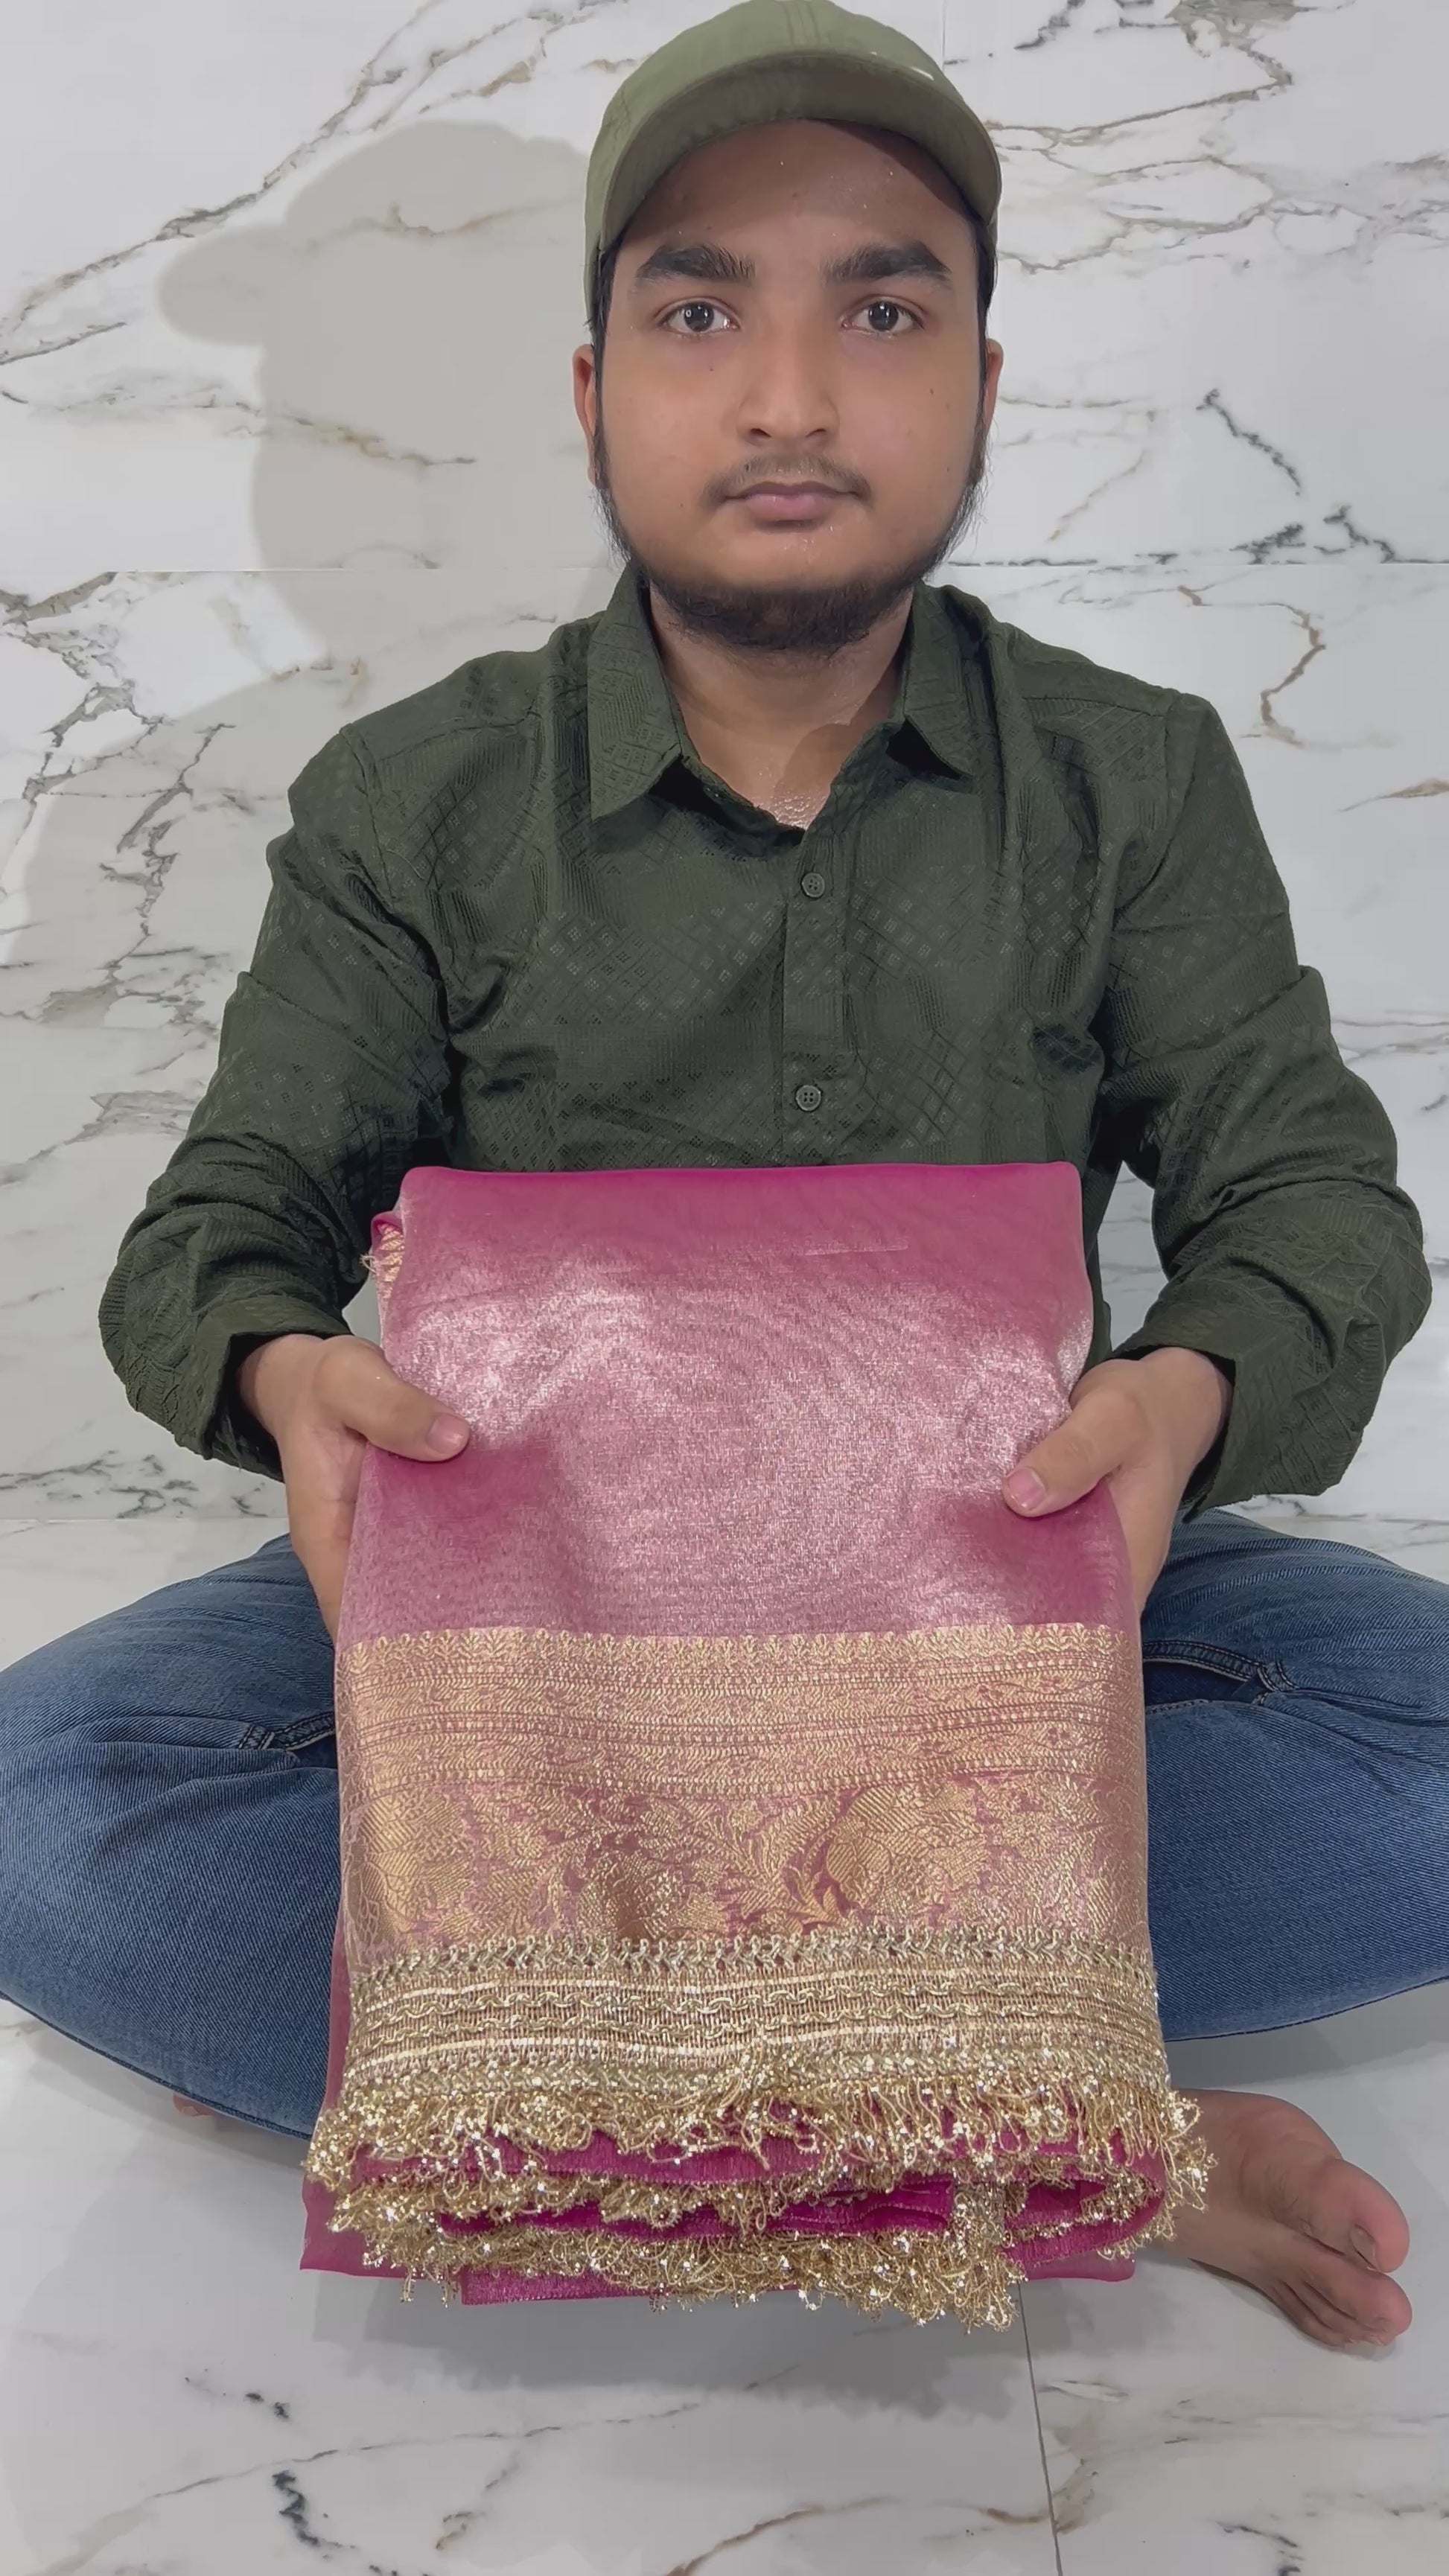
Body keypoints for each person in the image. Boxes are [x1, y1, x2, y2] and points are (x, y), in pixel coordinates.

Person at [1, 0, 1442, 2353]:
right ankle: (1066, 2121)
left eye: (879, 311)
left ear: (981, 377)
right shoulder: (418, 801)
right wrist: (281, 1374)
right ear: (593, 392)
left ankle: (649, 2077)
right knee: (41, 1808)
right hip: (526, 1630)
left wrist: (1182, 1398)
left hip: (1007, 1590)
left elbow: (1313, 1208)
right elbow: (215, 1226)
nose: (787, 396)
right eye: (699, 314)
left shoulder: (1130, 775)